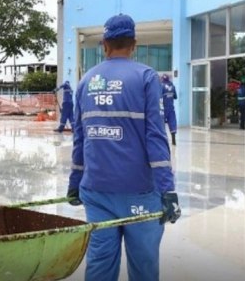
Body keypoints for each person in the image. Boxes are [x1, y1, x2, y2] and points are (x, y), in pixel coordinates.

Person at [67, 14, 181, 281]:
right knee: (143, 266)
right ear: (134, 45)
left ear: (104, 45)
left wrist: (74, 182)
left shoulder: (86, 82)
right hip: (138, 192)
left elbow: (80, 141)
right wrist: (167, 189)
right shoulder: (145, 77)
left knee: (99, 266)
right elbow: (155, 137)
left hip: (96, 192)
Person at [161, 74, 178, 145]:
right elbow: (175, 97)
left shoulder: (161, 86)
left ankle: (164, 141)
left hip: (163, 108)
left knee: (161, 124)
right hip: (171, 108)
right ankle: (174, 141)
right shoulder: (173, 86)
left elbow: (158, 96)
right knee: (172, 123)